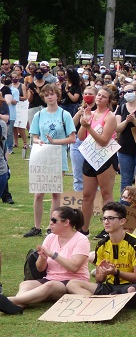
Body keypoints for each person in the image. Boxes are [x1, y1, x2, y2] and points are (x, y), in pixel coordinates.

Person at [0, 206, 89, 315]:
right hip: (51, 279)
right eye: (51, 219)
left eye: (54, 220)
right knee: (26, 284)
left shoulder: (81, 240)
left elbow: (74, 267)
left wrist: (53, 255)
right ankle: (16, 307)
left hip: (72, 282)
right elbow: (40, 268)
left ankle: (8, 301)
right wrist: (43, 258)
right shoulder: (51, 237)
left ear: (66, 222)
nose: (50, 223)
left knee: (50, 285)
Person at [66, 202, 136, 309]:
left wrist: (115, 272)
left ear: (122, 221)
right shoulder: (101, 245)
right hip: (110, 287)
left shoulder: (135, 244)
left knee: (133, 290)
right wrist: (103, 271)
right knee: (72, 284)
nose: (106, 222)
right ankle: (100, 302)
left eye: (110, 218)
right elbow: (99, 279)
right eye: (104, 218)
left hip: (130, 286)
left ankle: (106, 300)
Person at [25, 84, 76, 238]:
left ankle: (51, 225)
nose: (50, 97)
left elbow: (72, 138)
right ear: (43, 97)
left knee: (55, 193)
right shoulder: (38, 115)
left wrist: (55, 142)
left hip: (58, 156)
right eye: (47, 95)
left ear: (57, 95)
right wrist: (38, 141)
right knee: (39, 193)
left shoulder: (64, 115)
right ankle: (37, 226)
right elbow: (34, 135)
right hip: (42, 156)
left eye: (52, 94)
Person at [78, 87, 118, 237]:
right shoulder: (91, 113)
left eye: (103, 96)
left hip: (105, 157)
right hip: (90, 156)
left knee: (106, 194)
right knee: (87, 195)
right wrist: (84, 123)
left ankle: (109, 228)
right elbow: (81, 137)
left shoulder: (110, 117)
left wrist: (89, 127)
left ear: (109, 100)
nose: (99, 98)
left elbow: (104, 141)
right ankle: (84, 229)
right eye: (98, 95)